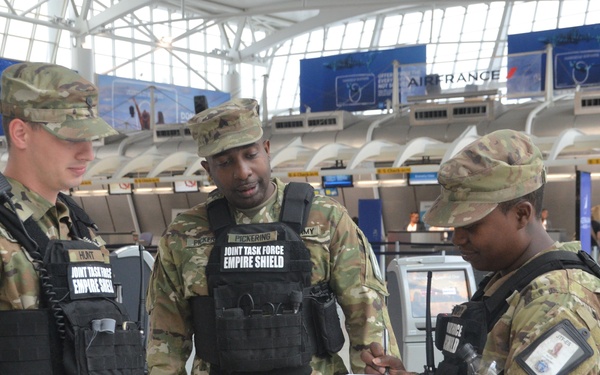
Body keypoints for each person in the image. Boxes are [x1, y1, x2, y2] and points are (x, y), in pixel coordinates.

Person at [146, 98, 399, 374]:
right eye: (225, 162)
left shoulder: (326, 219)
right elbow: (165, 340)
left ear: (266, 150)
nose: (242, 172)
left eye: (250, 155)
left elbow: (367, 314)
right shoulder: (183, 235)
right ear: (208, 170)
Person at [361, 129, 600, 374]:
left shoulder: (555, 304)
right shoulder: (510, 283)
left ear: (522, 214)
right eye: (455, 225)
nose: (458, 238)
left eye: (471, 225)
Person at [0, 63, 144, 373]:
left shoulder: (81, 228)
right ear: (21, 133)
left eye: (90, 139)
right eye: (70, 138)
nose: (88, 154)